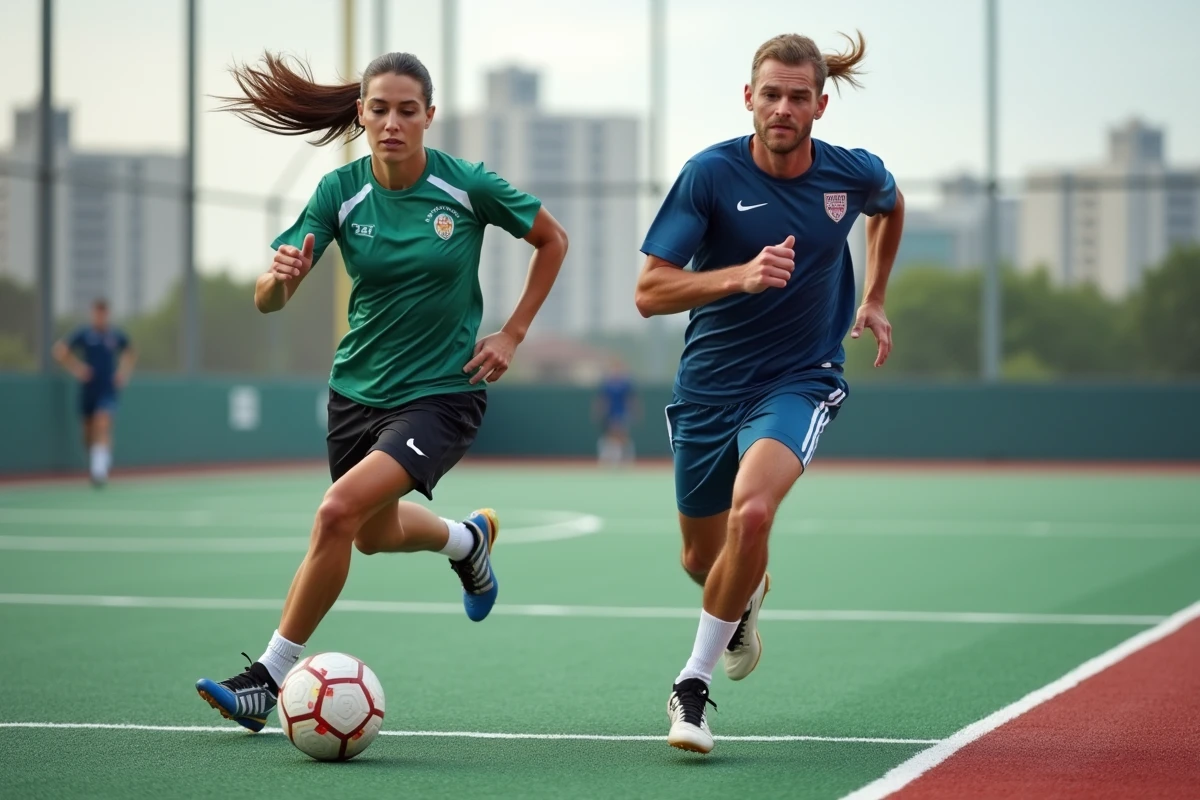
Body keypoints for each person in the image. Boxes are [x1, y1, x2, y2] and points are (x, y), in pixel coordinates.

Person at [195, 50, 569, 732]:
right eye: (378, 109)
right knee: (370, 534)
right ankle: (466, 543)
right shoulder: (340, 193)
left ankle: (266, 679)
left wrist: (512, 333)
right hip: (355, 392)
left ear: (430, 115)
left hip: (441, 393)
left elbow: (552, 240)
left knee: (337, 511)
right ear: (360, 116)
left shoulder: (467, 187)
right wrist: (281, 277)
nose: (391, 123)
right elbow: (267, 302)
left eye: (406, 110)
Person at [634, 31, 904, 753]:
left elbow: (891, 203)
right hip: (707, 387)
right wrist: (738, 276)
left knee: (752, 514)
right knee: (702, 559)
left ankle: (691, 690)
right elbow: (650, 292)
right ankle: (745, 596)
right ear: (748, 98)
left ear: (819, 104)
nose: (783, 107)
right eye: (771, 94)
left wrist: (873, 295)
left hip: (800, 379)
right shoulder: (709, 176)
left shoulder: (850, 177)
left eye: (797, 96)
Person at [53, 298, 136, 487]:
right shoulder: (84, 334)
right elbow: (60, 351)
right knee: (88, 435)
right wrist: (77, 369)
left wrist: (123, 373)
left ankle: (99, 471)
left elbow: (130, 352)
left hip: (107, 390)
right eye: (97, 313)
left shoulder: (115, 336)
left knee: (103, 422)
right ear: (93, 314)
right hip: (89, 390)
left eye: (103, 313)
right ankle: (99, 458)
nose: (100, 317)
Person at [593, 357, 639, 466]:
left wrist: (634, 411)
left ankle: (627, 457)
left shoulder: (626, 383)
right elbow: (602, 399)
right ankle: (609, 458)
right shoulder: (607, 383)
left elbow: (631, 399)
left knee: (622, 435)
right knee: (611, 436)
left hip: (622, 412)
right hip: (611, 413)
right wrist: (599, 410)